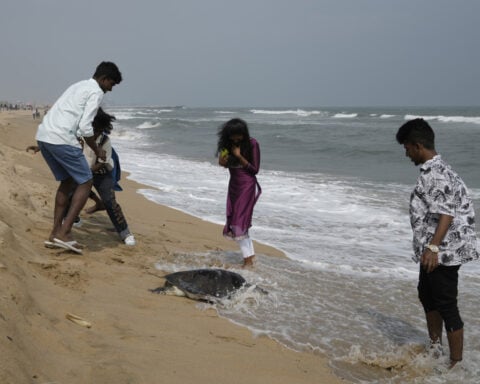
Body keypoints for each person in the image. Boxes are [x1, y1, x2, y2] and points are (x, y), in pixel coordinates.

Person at [396, 118, 478, 368]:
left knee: (446, 304)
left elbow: (446, 213)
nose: (406, 153)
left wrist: (433, 247)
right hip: (434, 249)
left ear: (418, 145)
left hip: (444, 252)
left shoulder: (437, 174)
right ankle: (435, 348)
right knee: (427, 295)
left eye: (407, 147)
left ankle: (455, 365)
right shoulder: (435, 171)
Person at [35, 61, 122, 253]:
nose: (110, 89)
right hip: (62, 138)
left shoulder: (77, 85)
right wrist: (97, 149)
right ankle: (64, 233)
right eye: (112, 84)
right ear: (104, 79)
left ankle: (55, 233)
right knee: (86, 181)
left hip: (44, 136)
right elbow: (85, 127)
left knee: (67, 182)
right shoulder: (96, 92)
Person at [83, 108, 136, 246]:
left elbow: (101, 163)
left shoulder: (105, 141)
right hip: (82, 171)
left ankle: (125, 232)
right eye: (94, 129)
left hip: (101, 173)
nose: (96, 133)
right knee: (71, 194)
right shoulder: (80, 136)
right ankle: (72, 220)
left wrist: (87, 172)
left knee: (110, 202)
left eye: (99, 130)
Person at [217, 118, 261, 267]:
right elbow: (227, 165)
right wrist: (223, 161)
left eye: (238, 135)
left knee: (239, 223)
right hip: (234, 185)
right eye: (232, 135)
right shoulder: (228, 145)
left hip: (247, 185)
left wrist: (239, 155)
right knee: (238, 221)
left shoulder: (253, 143)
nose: (236, 138)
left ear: (244, 133)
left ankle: (247, 261)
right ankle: (250, 257)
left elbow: (255, 170)